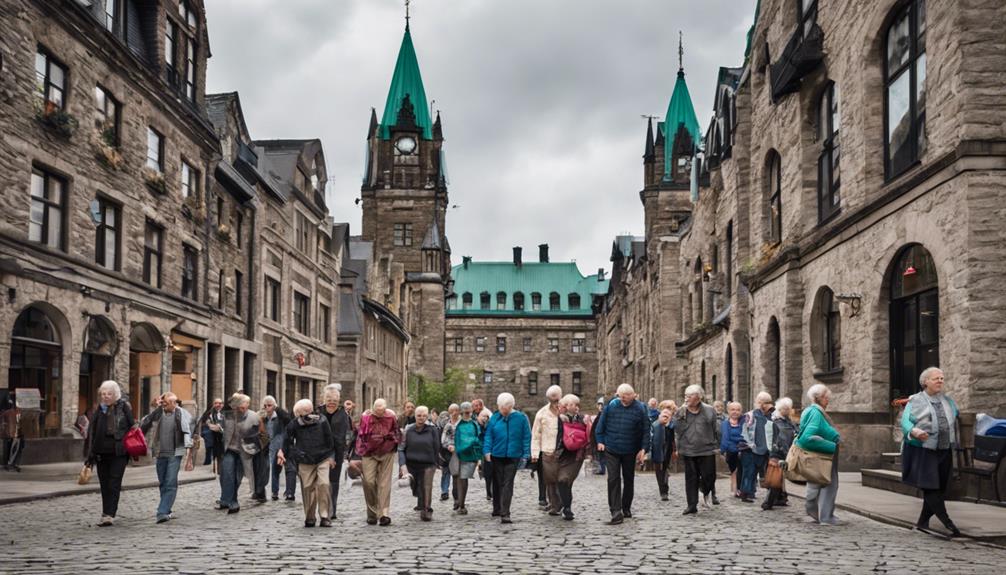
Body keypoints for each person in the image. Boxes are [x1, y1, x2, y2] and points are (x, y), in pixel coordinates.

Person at [901, 367, 962, 537]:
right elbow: (905, 422)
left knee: (940, 487)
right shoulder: (915, 400)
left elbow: (955, 416)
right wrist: (915, 431)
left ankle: (922, 523)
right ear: (925, 381)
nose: (940, 381)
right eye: (936, 378)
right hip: (924, 449)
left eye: (942, 378)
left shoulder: (948, 401)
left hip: (944, 449)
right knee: (930, 486)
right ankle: (948, 522)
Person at [594, 383, 651, 525]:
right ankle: (615, 510)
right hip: (611, 448)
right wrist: (600, 441)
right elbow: (600, 426)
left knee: (628, 478)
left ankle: (626, 507)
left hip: (630, 449)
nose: (623, 400)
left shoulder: (640, 408)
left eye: (626, 397)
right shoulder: (611, 406)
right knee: (613, 478)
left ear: (633, 395)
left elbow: (646, 430)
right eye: (621, 397)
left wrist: (643, 449)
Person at [83, 381, 135, 526]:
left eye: (109, 394)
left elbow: (133, 428)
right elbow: (92, 433)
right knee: (104, 484)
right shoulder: (99, 410)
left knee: (114, 483)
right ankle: (105, 512)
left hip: (119, 452)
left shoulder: (124, 407)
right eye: (103, 394)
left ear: (115, 394)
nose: (105, 397)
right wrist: (90, 455)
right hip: (101, 453)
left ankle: (109, 514)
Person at [278, 399, 336, 528]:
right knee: (307, 487)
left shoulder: (322, 420)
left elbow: (330, 440)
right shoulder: (294, 424)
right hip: (305, 459)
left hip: (322, 457)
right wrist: (283, 452)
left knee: (324, 484)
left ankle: (324, 516)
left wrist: (331, 457)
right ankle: (310, 517)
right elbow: (287, 439)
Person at [139, 392, 194, 523]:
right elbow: (144, 424)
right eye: (165, 403)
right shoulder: (158, 413)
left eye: (169, 403)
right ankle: (167, 509)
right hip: (160, 452)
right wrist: (156, 408)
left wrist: (189, 455)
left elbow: (187, 432)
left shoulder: (181, 413)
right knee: (163, 482)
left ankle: (162, 512)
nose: (167, 405)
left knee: (170, 481)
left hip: (176, 452)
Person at [483, 392, 531, 524]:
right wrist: (487, 451)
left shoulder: (521, 418)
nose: (503, 412)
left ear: (511, 406)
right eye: (501, 409)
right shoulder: (495, 418)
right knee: (498, 482)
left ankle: (505, 513)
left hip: (513, 455)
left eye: (506, 410)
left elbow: (526, 436)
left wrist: (526, 454)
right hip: (497, 455)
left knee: (507, 483)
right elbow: (489, 436)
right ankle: (497, 508)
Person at [799, 383, 841, 525]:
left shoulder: (810, 411)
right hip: (822, 455)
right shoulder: (816, 413)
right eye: (827, 398)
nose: (828, 401)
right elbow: (807, 438)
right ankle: (826, 517)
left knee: (815, 482)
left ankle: (815, 513)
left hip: (817, 455)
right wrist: (832, 446)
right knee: (828, 484)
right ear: (820, 397)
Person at [675, 385, 720, 515]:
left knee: (710, 476)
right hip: (688, 449)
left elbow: (714, 428)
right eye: (685, 395)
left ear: (699, 397)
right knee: (691, 478)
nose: (687, 398)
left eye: (690, 395)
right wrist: (681, 415)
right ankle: (691, 505)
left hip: (706, 449)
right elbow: (678, 430)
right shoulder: (681, 412)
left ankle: (703, 489)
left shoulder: (710, 410)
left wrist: (716, 445)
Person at [357, 398, 400, 526]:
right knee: (369, 481)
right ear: (373, 408)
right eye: (377, 411)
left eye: (382, 411)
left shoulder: (391, 417)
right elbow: (360, 435)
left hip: (387, 451)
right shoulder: (365, 417)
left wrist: (393, 444)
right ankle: (372, 512)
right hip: (369, 452)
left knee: (384, 483)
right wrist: (357, 453)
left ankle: (384, 514)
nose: (380, 413)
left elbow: (397, 432)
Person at [217, 393, 261, 514]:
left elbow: (262, 435)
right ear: (236, 406)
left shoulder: (253, 417)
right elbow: (223, 407)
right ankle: (231, 502)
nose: (243, 410)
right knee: (227, 475)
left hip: (244, 451)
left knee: (237, 477)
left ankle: (231, 499)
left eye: (245, 407)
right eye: (241, 407)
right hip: (229, 450)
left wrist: (255, 449)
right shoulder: (228, 415)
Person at [398, 406, 441, 521]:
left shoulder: (432, 430)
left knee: (427, 485)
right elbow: (401, 448)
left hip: (428, 462)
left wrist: (436, 462)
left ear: (427, 417)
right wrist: (402, 465)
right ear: (415, 416)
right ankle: (420, 500)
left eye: (424, 416)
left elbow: (437, 446)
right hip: (412, 463)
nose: (421, 418)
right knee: (416, 487)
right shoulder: (408, 429)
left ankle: (427, 510)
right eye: (419, 415)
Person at [317, 385, 351, 519]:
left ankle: (332, 509)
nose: (331, 402)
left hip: (337, 453)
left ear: (339, 401)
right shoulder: (318, 413)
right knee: (321, 482)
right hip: (320, 452)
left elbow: (349, 435)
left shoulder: (343, 415)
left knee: (333, 481)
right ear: (324, 399)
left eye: (334, 400)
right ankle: (323, 508)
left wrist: (346, 451)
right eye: (329, 399)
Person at [442, 401, 481, 515]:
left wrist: (477, 455)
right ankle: (459, 503)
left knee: (463, 478)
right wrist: (451, 446)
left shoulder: (474, 424)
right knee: (458, 478)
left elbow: (477, 438)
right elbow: (449, 437)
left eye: (468, 412)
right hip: (457, 454)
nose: (466, 414)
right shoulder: (457, 424)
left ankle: (461, 503)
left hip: (469, 455)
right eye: (464, 412)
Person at [531, 385, 563, 515]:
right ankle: (553, 504)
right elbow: (536, 435)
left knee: (562, 480)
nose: (555, 403)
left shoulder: (566, 409)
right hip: (547, 451)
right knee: (549, 480)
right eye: (552, 400)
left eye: (556, 400)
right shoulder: (542, 413)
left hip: (564, 450)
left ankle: (561, 503)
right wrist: (534, 454)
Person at [556, 394, 589, 520]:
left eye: (571, 405)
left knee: (564, 479)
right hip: (562, 453)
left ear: (577, 406)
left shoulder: (582, 419)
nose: (568, 407)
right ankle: (565, 505)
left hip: (576, 455)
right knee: (562, 481)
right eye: (567, 405)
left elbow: (589, 435)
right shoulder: (559, 418)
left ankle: (567, 507)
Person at [763, 397, 798, 510]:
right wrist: (785, 452)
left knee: (779, 477)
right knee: (775, 477)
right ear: (781, 409)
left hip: (783, 451)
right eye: (786, 408)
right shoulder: (777, 421)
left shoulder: (786, 420)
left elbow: (794, 432)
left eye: (789, 408)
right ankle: (767, 502)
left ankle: (780, 498)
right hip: (777, 452)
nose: (788, 410)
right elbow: (780, 439)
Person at [740, 392, 773, 503]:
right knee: (749, 472)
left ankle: (751, 492)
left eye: (769, 402)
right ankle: (746, 493)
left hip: (764, 449)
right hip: (750, 449)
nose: (768, 405)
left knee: (756, 473)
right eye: (765, 403)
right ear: (759, 403)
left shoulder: (770, 415)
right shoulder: (750, 415)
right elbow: (743, 431)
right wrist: (749, 444)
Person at [260, 396, 294, 502]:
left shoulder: (280, 416)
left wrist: (276, 408)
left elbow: (288, 422)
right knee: (274, 470)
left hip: (285, 445)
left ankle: (289, 493)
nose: (267, 408)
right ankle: (274, 492)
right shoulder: (264, 418)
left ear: (274, 406)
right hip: (272, 447)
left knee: (289, 469)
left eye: (269, 405)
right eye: (265, 406)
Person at [720, 401, 745, 498]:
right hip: (731, 451)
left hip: (743, 449)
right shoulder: (725, 423)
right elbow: (725, 438)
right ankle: (735, 488)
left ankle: (740, 489)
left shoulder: (744, 422)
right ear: (728, 411)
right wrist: (722, 451)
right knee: (734, 471)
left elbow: (745, 436)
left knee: (741, 470)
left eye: (738, 410)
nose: (735, 412)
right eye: (733, 410)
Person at [650, 408, 675, 501]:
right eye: (663, 414)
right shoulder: (655, 424)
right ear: (659, 416)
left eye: (668, 415)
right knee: (658, 472)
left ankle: (664, 491)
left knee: (665, 470)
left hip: (667, 451)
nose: (665, 416)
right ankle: (662, 489)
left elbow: (674, 439)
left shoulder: (671, 426)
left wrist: (675, 450)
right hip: (657, 450)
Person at [438, 403, 460, 502]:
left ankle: (457, 495)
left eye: (456, 411)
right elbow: (443, 438)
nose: (454, 413)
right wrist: (448, 446)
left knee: (457, 474)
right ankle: (444, 491)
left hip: (459, 452)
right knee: (446, 472)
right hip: (447, 452)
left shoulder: (462, 423)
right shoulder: (446, 424)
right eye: (452, 411)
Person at [197, 398, 224, 467]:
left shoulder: (225, 413)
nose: (218, 405)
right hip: (211, 437)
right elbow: (206, 424)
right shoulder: (208, 413)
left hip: (222, 437)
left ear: (222, 405)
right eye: (216, 403)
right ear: (213, 404)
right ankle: (208, 461)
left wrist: (219, 427)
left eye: (220, 403)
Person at [476, 408, 493, 501]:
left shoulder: (491, 425)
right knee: (486, 473)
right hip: (482, 451)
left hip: (490, 450)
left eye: (486, 416)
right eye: (483, 416)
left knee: (491, 472)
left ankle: (491, 491)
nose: (484, 418)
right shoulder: (477, 426)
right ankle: (488, 492)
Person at [590, 398, 606, 475]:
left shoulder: (603, 415)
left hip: (601, 439)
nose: (600, 406)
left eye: (601, 405)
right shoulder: (600, 415)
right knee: (599, 455)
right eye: (599, 405)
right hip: (597, 438)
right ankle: (601, 469)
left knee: (601, 455)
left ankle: (602, 469)